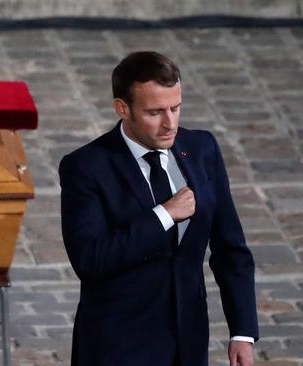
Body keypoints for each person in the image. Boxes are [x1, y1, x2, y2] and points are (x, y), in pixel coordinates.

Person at [58, 51, 259, 366]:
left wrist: (242, 332)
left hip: (189, 342)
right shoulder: (86, 167)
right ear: (122, 109)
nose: (170, 123)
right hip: (118, 345)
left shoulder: (202, 149)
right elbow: (90, 259)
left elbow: (231, 249)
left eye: (175, 108)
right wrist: (164, 215)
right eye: (155, 112)